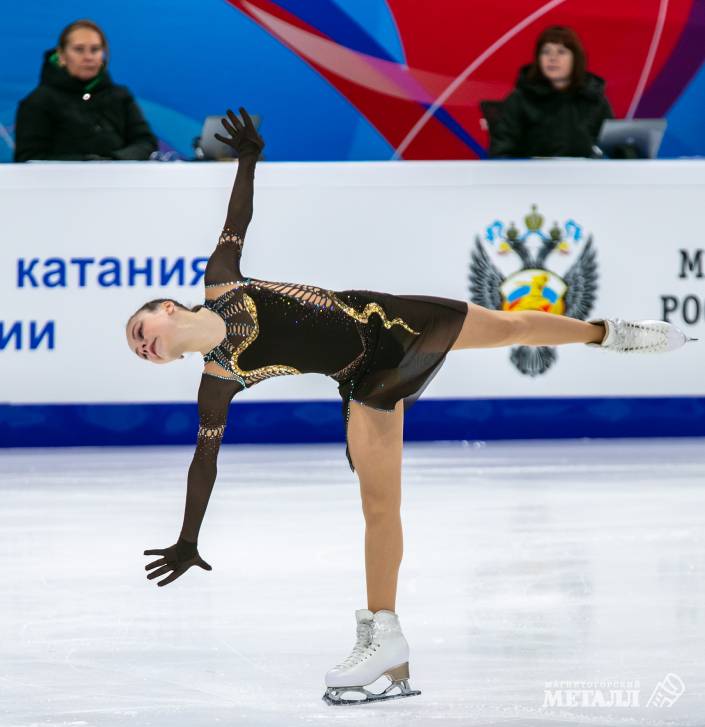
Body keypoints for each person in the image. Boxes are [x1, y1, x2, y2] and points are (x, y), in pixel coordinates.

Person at [127, 107, 689, 705]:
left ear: (167, 307)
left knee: (507, 327)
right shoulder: (219, 379)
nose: (143, 346)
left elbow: (237, 218)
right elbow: (203, 462)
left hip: (387, 318)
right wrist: (188, 537)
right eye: (139, 352)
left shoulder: (222, 282)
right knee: (379, 505)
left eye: (140, 330)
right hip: (367, 382)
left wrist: (247, 159)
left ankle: (609, 333)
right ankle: (385, 641)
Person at [14, 19, 157, 162]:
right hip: (60, 183)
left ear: (103, 55)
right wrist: (88, 164)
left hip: (121, 181)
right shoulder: (38, 102)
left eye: (95, 49)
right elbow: (29, 158)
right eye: (79, 49)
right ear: (62, 55)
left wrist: (114, 161)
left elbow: (146, 142)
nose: (88, 57)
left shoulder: (121, 96)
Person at [489, 25, 613, 158]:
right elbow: (501, 151)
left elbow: (613, 149)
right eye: (546, 52)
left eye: (561, 52)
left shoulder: (594, 99)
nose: (552, 58)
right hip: (532, 175)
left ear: (576, 58)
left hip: (586, 175)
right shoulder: (519, 99)